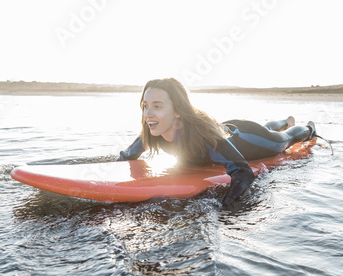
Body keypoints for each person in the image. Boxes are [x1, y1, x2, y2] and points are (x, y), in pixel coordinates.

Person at [118, 78, 317, 206]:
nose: (148, 114)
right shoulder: (152, 132)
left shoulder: (204, 138)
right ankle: (284, 121)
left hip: (248, 138)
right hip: (226, 129)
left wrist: (222, 206)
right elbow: (126, 156)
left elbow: (243, 172)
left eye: (157, 106)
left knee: (283, 140)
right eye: (145, 106)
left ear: (178, 110)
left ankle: (308, 129)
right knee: (268, 128)